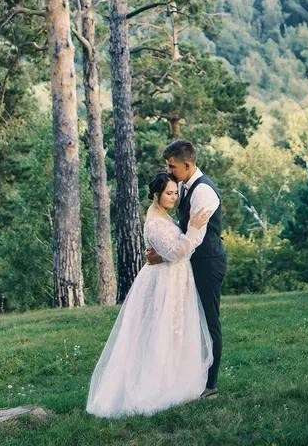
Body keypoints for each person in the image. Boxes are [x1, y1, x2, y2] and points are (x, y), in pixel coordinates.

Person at [86, 172, 213, 418]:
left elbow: (174, 251)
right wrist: (194, 229)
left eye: (176, 193)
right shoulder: (154, 222)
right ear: (156, 195)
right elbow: (177, 252)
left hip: (175, 278)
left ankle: (177, 379)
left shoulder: (163, 215)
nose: (174, 198)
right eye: (169, 193)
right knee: (162, 330)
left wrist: (174, 247)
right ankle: (157, 386)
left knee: (176, 330)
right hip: (165, 281)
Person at [148, 139, 226, 397]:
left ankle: (210, 386)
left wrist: (165, 255)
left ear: (188, 164)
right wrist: (162, 254)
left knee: (209, 322)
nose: (169, 171)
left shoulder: (203, 192)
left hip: (206, 263)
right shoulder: (186, 184)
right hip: (190, 263)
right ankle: (192, 377)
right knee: (193, 322)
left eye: (172, 167)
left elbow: (192, 242)